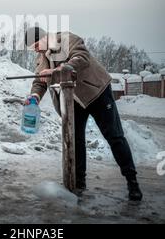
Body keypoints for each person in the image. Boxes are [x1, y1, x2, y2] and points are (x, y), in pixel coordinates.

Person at [24, 26, 143, 201]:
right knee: (75, 140)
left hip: (96, 92)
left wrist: (57, 71)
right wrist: (34, 96)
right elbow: (40, 81)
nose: (35, 50)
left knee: (114, 136)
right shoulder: (42, 58)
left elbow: (81, 57)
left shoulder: (64, 39)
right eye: (32, 48)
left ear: (44, 37)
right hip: (73, 99)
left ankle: (132, 182)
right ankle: (78, 183)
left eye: (35, 45)